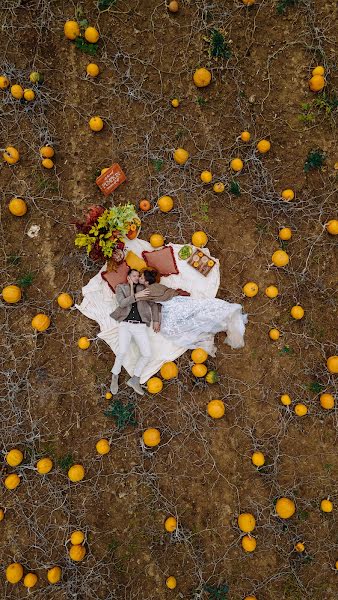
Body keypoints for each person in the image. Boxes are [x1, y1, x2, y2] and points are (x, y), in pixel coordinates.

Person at [138, 270, 247, 352]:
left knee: (168, 330)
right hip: (176, 301)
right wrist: (156, 320)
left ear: (147, 282)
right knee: (198, 310)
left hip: (174, 305)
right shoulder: (155, 287)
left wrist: (132, 286)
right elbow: (155, 304)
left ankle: (204, 334)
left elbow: (134, 298)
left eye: (141, 278)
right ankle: (208, 329)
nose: (139, 278)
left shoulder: (148, 290)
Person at [109, 269, 160, 396]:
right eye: (134, 276)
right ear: (128, 277)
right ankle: (115, 375)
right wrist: (135, 294)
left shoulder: (144, 288)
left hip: (140, 326)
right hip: (125, 324)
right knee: (122, 351)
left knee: (147, 354)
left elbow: (154, 305)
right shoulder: (121, 287)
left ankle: (135, 379)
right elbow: (122, 303)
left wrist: (156, 320)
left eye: (138, 276)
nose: (137, 278)